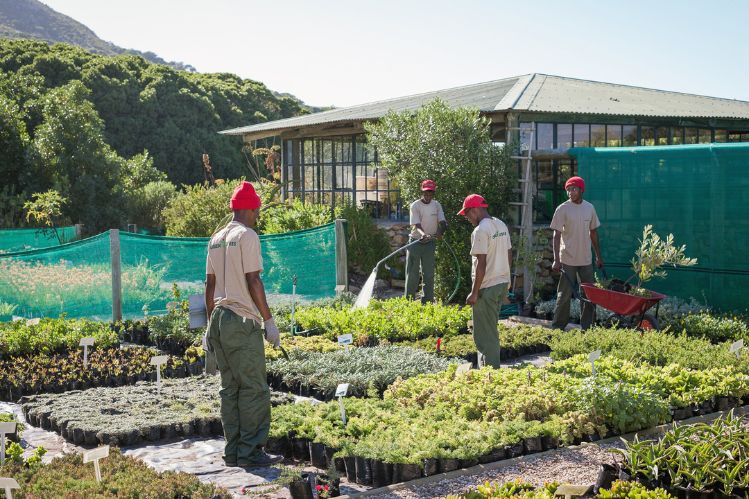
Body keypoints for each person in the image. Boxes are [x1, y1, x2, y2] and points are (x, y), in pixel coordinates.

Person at [204, 181, 282, 468]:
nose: (257, 215)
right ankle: (250, 453)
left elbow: (209, 285)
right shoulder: (247, 236)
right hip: (241, 320)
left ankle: (233, 452)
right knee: (253, 388)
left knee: (230, 388)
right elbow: (253, 280)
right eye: (257, 210)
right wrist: (269, 321)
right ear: (250, 209)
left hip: (219, 319)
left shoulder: (216, 238)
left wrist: (209, 326)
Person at [458, 194, 512, 368]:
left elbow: (481, 264)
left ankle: (491, 373)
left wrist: (474, 293)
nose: (467, 218)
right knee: (491, 329)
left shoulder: (480, 230)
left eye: (467, 214)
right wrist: (507, 281)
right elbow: (509, 254)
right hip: (501, 284)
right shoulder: (500, 224)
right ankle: (488, 369)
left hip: (487, 288)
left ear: (474, 210)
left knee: (485, 335)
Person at [550, 176, 603, 330]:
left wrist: (598, 256)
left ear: (581, 190)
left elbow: (593, 233)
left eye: (573, 189)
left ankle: (588, 328)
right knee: (564, 295)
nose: (570, 193)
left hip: (586, 259)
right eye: (568, 190)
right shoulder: (562, 209)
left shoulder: (589, 208)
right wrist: (556, 259)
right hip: (567, 259)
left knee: (589, 295)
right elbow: (556, 235)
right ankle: (558, 328)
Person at [405, 179, 447, 302]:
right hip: (415, 243)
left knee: (428, 274)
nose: (428, 195)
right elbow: (417, 224)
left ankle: (427, 302)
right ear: (422, 191)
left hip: (430, 244)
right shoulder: (415, 205)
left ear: (433, 193)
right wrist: (423, 235)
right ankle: (408, 301)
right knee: (412, 274)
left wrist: (440, 232)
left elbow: (443, 222)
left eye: (430, 193)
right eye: (426, 192)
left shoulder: (436, 205)